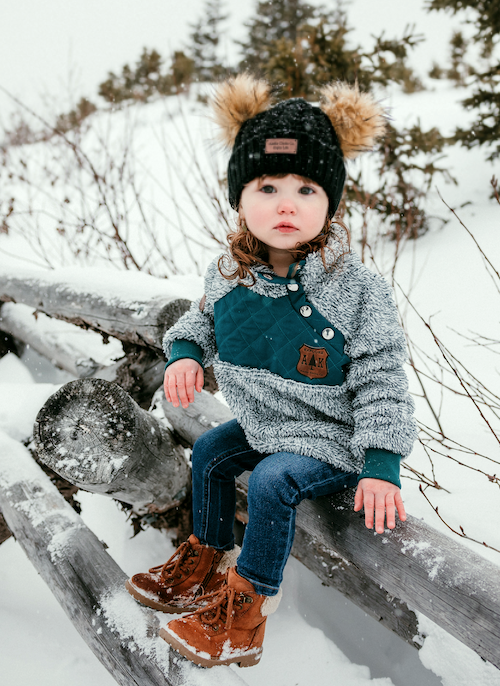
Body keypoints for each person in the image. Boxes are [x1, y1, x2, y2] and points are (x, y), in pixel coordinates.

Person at [125, 74, 417, 668]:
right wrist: (184, 355)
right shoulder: (228, 272)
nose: (287, 202)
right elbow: (198, 323)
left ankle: (245, 613)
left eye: (308, 188)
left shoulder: (353, 290)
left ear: (331, 203)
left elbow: (383, 377)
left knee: (271, 482)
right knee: (210, 452)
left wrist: (382, 463)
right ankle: (205, 563)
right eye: (268, 185)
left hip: (331, 440)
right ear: (240, 198)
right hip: (266, 426)